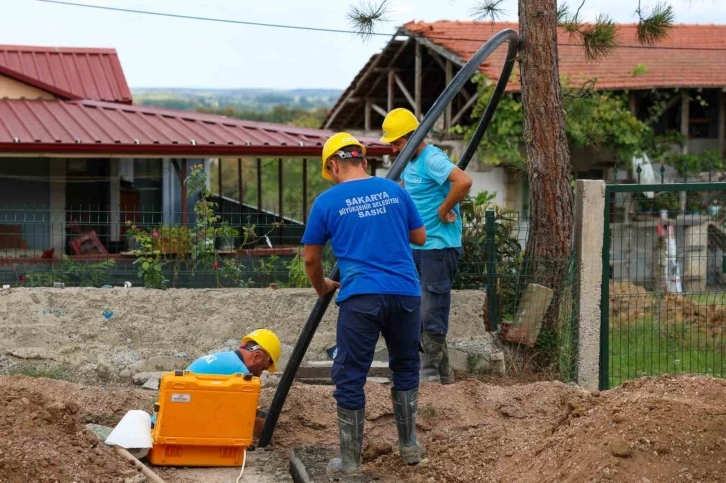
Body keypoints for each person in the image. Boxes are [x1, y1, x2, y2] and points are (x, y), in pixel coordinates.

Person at [302, 132, 426, 478]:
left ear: (333, 165)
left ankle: (352, 464)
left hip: (361, 297)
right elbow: (420, 237)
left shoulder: (327, 202)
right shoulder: (395, 190)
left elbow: (311, 259)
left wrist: (322, 286)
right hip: (405, 293)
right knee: (405, 366)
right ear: (363, 160)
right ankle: (409, 446)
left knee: (350, 375)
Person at [380, 108, 473, 385]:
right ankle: (443, 374)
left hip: (439, 246)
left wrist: (444, 208)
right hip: (418, 245)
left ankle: (429, 371)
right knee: (418, 306)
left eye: (397, 142)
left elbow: (464, 181)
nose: (394, 148)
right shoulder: (410, 162)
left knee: (432, 306)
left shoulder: (431, 157)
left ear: (412, 137)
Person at [151, 328, 282, 439]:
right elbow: (247, 415)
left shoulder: (227, 359)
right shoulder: (239, 373)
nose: (259, 375)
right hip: (170, 427)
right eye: (263, 368)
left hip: (163, 421)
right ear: (257, 356)